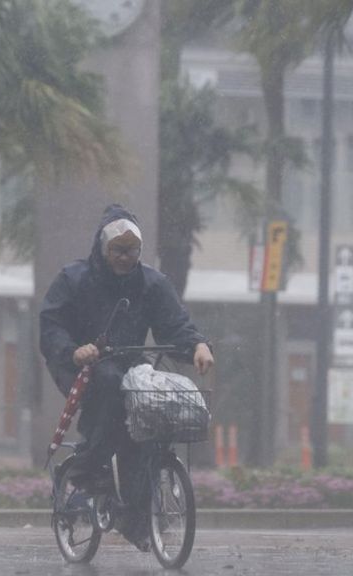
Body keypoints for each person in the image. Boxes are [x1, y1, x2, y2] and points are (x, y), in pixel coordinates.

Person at [40, 204, 214, 551]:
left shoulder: (152, 283)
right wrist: (74, 351)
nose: (124, 258)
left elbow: (175, 323)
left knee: (146, 421)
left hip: (130, 365)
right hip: (79, 365)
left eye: (131, 251)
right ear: (103, 249)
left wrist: (197, 345)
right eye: (118, 251)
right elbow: (51, 325)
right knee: (107, 386)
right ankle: (87, 469)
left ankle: (134, 517)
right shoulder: (73, 279)